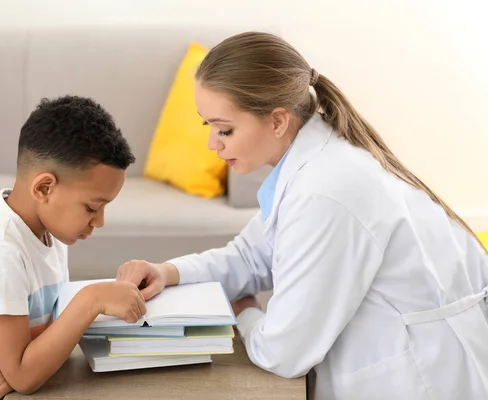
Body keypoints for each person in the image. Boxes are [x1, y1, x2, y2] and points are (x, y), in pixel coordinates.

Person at [116, 32, 488, 399]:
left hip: (420, 378)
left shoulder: (324, 191)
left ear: (277, 121)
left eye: (224, 129)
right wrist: (168, 272)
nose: (213, 143)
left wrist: (244, 311)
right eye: (207, 125)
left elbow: (283, 353)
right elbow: (250, 255)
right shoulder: (313, 163)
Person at [0, 96, 147, 400]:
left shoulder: (47, 231)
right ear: (44, 188)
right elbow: (24, 378)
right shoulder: (0, 252)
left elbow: (36, 338)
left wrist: (16, 366)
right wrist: (91, 300)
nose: (100, 221)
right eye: (91, 207)